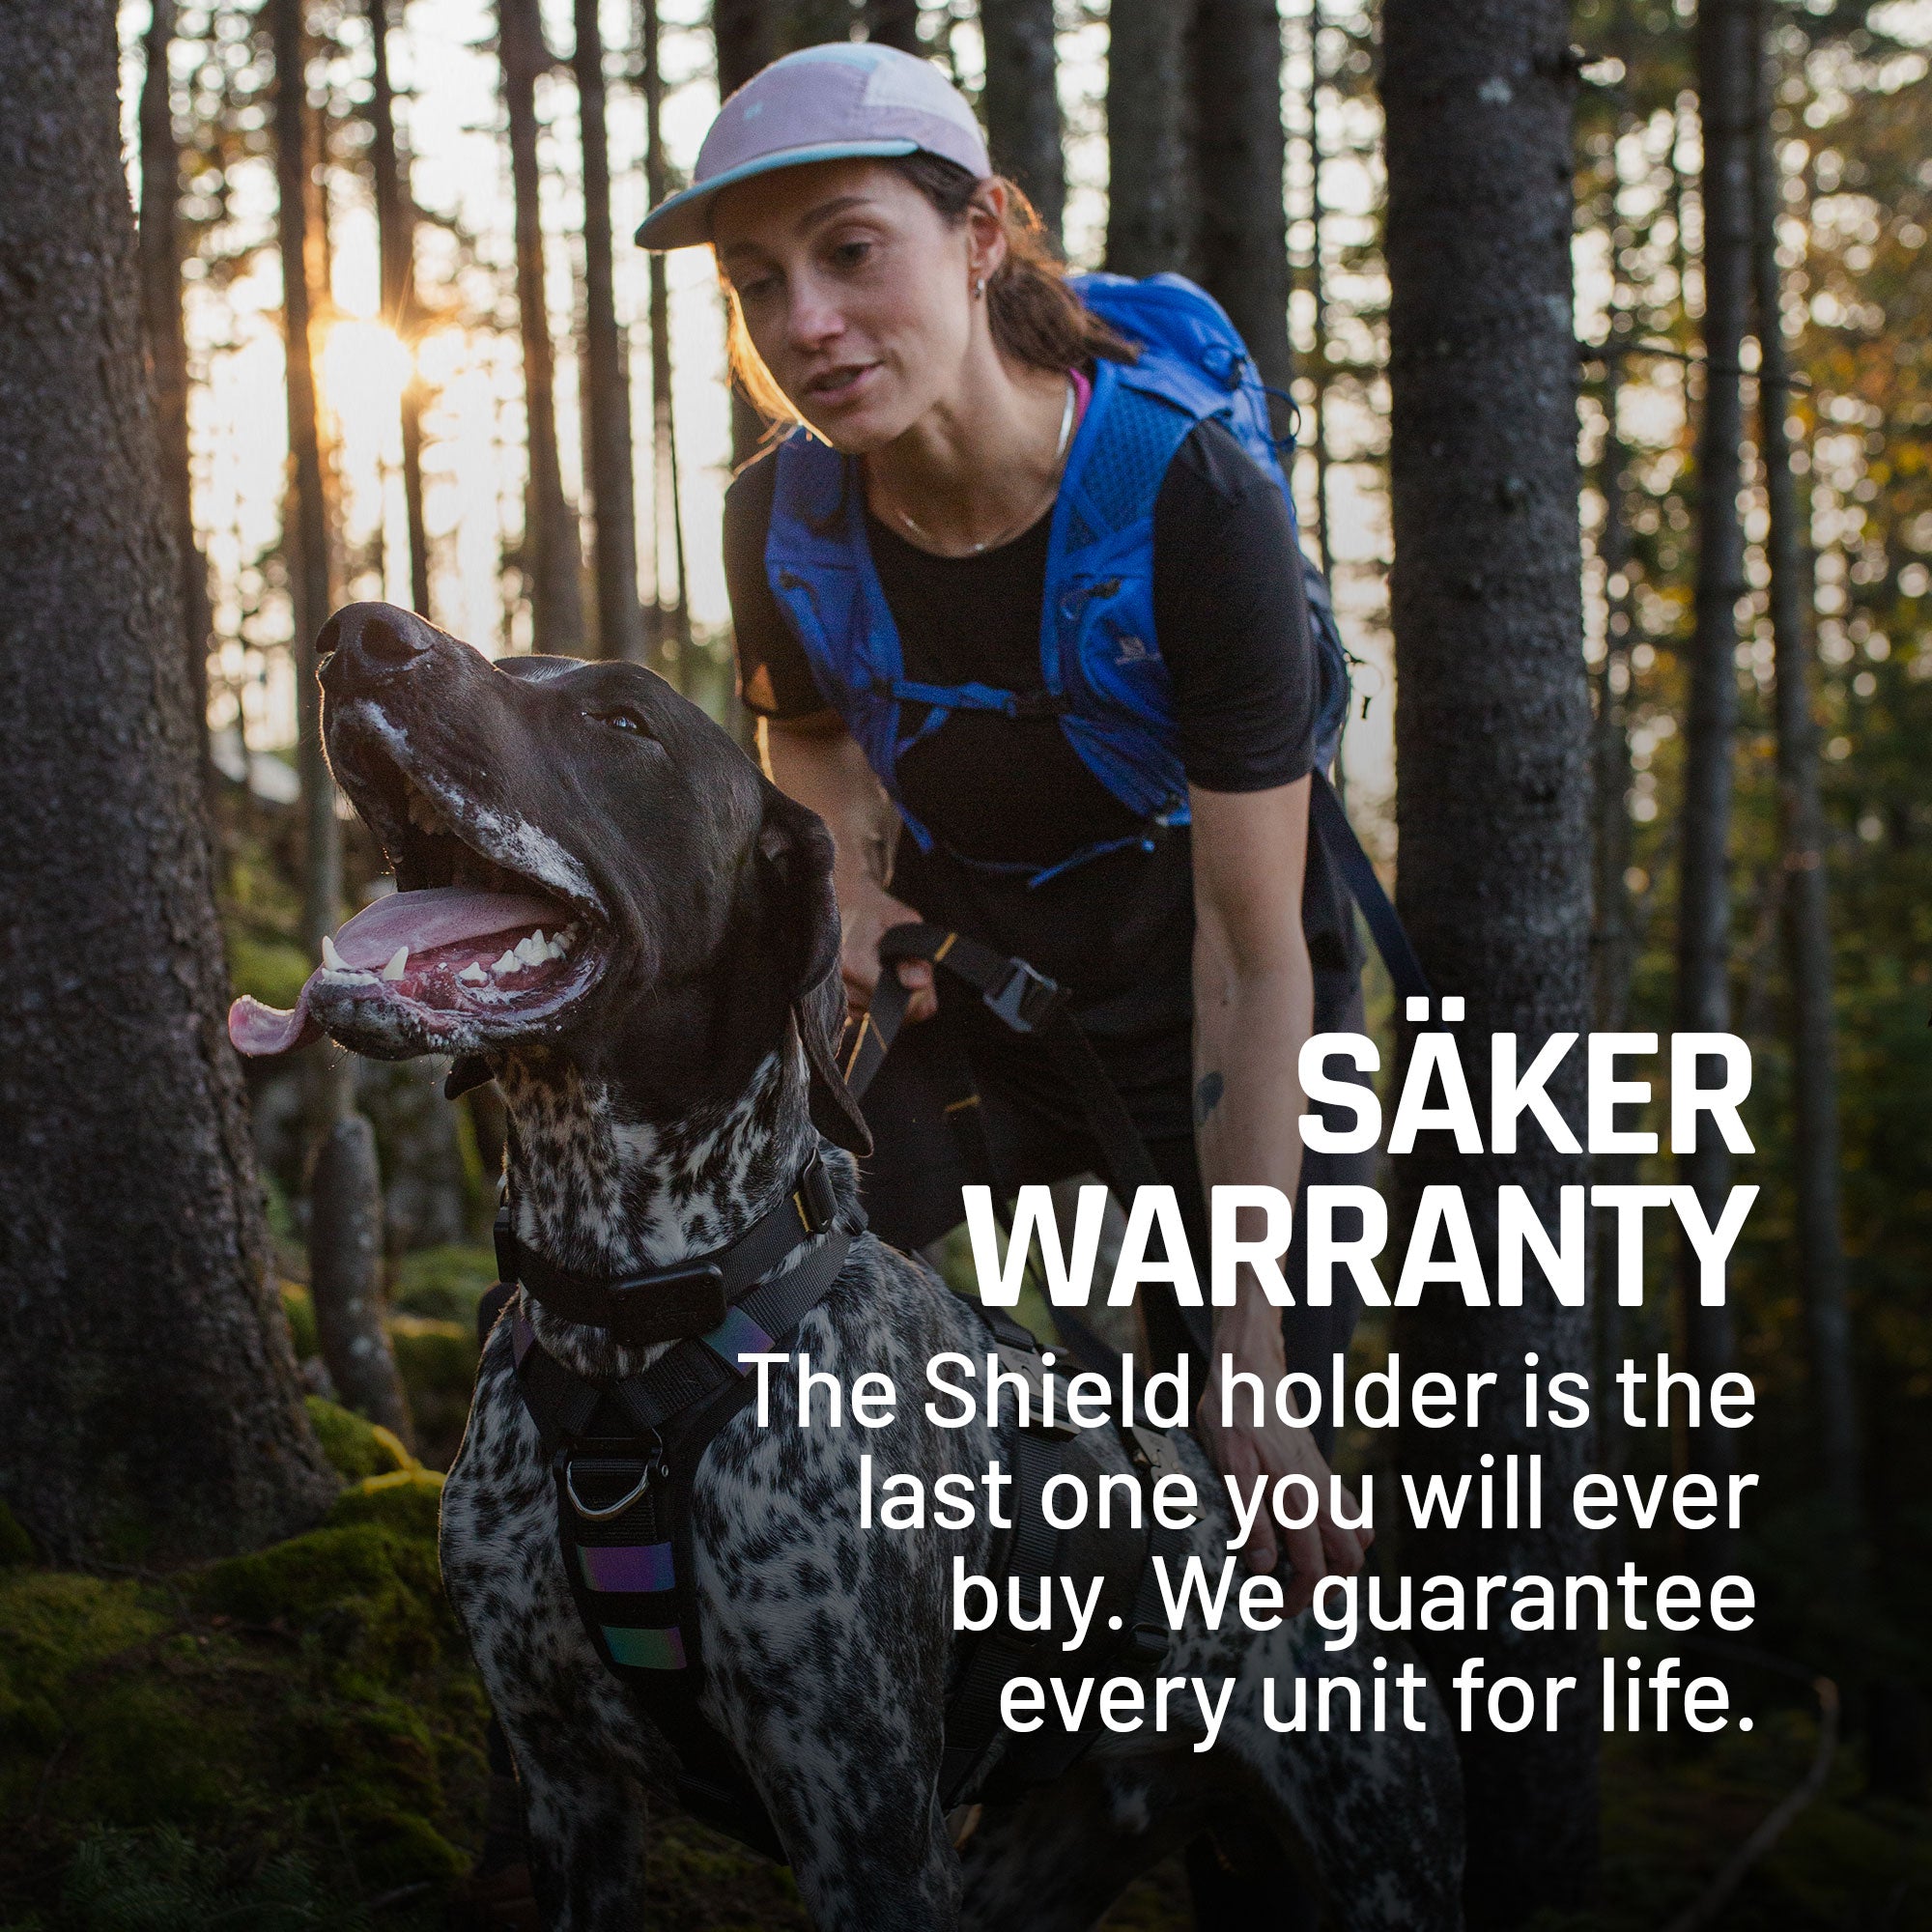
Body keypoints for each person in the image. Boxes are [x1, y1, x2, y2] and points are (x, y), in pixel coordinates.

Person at [642, 28, 1371, 1607]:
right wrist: (843, 899)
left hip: (1232, 1001)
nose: (806, 326)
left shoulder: (1191, 507)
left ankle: (1287, 1812)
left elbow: (1254, 961)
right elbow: (816, 744)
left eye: (850, 255)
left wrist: (1248, 1372)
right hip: (981, 988)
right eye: (759, 285)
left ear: (979, 236)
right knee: (802, 1346)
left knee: (1243, 1495)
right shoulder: (783, 508)